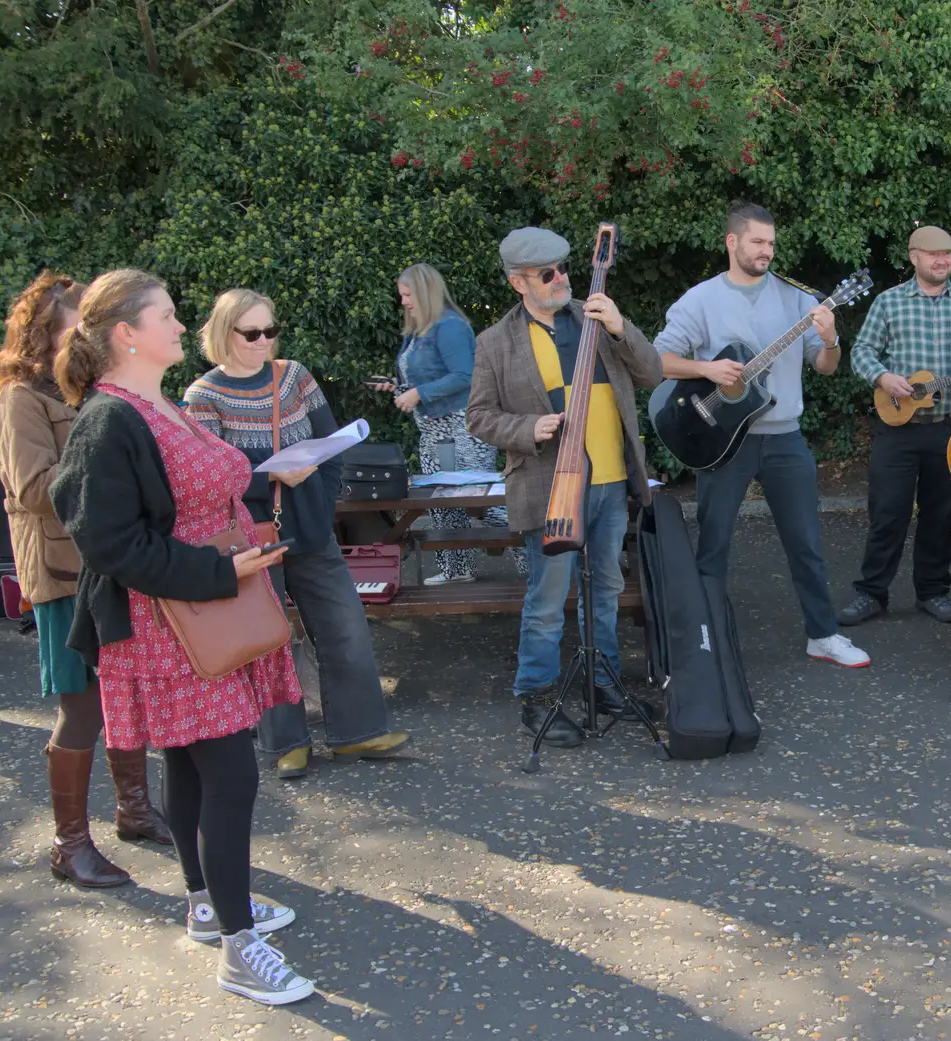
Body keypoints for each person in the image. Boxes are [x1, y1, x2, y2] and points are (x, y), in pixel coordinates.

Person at [50, 269, 313, 1004]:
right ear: (125, 334)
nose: (178, 324)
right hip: (165, 624)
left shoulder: (156, 402)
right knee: (233, 774)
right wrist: (217, 569)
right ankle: (237, 946)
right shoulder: (109, 418)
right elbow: (106, 542)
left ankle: (207, 904)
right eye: (164, 316)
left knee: (197, 769)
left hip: (196, 611)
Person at [0, 271, 171, 889]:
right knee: (83, 706)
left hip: (105, 566)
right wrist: (105, 462)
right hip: (64, 576)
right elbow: (35, 490)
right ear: (47, 332)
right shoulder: (18, 399)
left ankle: (135, 811)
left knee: (124, 695)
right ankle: (69, 846)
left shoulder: (82, 391)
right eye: (75, 326)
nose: (86, 337)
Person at [185, 288, 410, 780]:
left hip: (310, 529)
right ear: (225, 334)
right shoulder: (203, 397)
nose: (264, 340)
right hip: (249, 538)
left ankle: (358, 733)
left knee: (344, 626)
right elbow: (206, 477)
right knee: (269, 640)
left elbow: (331, 446)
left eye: (271, 330)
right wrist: (270, 477)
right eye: (252, 333)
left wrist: (321, 504)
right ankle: (286, 742)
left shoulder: (294, 377)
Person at [466, 227, 664, 746]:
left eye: (563, 268)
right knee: (548, 599)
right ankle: (537, 700)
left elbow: (653, 373)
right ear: (518, 283)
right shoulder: (495, 343)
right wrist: (526, 429)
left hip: (611, 481)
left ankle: (603, 686)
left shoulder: (595, 316)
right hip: (548, 485)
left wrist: (621, 328)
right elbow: (479, 417)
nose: (561, 279)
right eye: (547, 273)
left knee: (607, 591)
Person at [653, 201, 870, 668]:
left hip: (785, 437)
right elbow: (660, 361)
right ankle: (705, 638)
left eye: (771, 243)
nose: (766, 251)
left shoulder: (798, 299)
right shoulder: (701, 299)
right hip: (724, 440)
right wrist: (707, 367)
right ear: (732, 242)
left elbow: (826, 367)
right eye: (757, 242)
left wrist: (830, 338)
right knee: (714, 542)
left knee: (806, 541)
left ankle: (823, 635)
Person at [838, 225, 951, 626]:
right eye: (934, 254)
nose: (942, 260)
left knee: (940, 514)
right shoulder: (889, 303)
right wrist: (883, 378)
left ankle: (933, 591)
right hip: (898, 427)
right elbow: (863, 350)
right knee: (887, 512)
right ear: (914, 257)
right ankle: (871, 593)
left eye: (948, 254)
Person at [373, 263, 523, 584]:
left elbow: (465, 375)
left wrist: (418, 393)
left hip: (463, 427)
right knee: (441, 501)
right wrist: (398, 387)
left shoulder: (450, 326)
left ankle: (536, 563)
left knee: (481, 500)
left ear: (426, 292)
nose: (403, 302)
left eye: (408, 294)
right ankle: (457, 569)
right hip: (434, 430)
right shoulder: (419, 331)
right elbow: (428, 376)